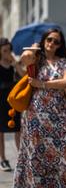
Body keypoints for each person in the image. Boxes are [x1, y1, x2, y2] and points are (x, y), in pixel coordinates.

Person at [13, 28, 66, 187]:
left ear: (60, 45)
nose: (52, 43)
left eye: (56, 41)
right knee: (37, 152)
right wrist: (34, 48)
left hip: (59, 112)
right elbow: (24, 58)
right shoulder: (36, 60)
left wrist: (42, 84)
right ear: (44, 41)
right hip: (36, 114)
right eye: (49, 40)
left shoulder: (64, 62)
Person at [0, 38, 24, 171]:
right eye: (4, 51)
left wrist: (16, 65)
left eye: (9, 50)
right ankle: (3, 159)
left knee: (17, 129)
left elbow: (24, 75)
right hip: (0, 101)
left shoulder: (14, 64)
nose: (7, 53)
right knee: (0, 132)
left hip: (13, 101)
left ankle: (21, 158)